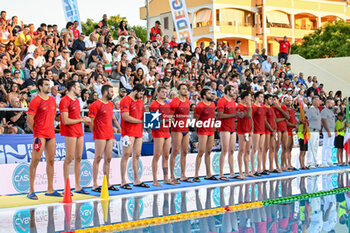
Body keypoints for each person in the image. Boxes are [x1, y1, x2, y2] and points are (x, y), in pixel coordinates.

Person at [26, 78, 60, 200]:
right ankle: (31, 190)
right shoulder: (35, 101)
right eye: (46, 85)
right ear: (39, 87)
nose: (48, 87)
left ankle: (50, 189)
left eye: (49, 84)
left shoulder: (52, 100)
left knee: (51, 161)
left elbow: (53, 116)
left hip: (51, 135)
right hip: (40, 135)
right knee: (35, 161)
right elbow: (29, 119)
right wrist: (37, 132)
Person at [60, 81, 91, 194]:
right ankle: (66, 187)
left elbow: (76, 117)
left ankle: (78, 186)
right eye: (78, 87)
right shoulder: (64, 100)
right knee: (69, 158)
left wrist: (84, 120)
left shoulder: (77, 101)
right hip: (70, 132)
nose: (80, 89)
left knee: (78, 158)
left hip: (79, 131)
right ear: (72, 88)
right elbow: (65, 120)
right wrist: (81, 120)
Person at [88, 85, 119, 192]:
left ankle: (107, 182)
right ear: (105, 92)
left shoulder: (111, 104)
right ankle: (95, 184)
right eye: (111, 91)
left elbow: (110, 119)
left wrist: (115, 130)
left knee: (108, 159)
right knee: (98, 158)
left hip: (109, 134)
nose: (112, 93)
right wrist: (94, 133)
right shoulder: (95, 104)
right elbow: (91, 121)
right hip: (100, 134)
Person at [120, 84, 148, 189]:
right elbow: (125, 117)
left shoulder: (140, 101)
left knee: (136, 155)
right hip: (128, 132)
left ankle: (136, 179)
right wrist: (140, 121)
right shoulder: (125, 100)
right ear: (135, 91)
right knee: (126, 155)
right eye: (140, 93)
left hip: (138, 131)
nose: (141, 96)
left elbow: (144, 115)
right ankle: (123, 180)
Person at [149, 86, 174, 186]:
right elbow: (151, 121)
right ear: (157, 93)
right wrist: (166, 120)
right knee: (157, 155)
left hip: (166, 131)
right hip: (158, 132)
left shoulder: (167, 105)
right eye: (162, 92)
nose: (164, 94)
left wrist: (170, 120)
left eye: (165, 92)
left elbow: (168, 119)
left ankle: (166, 178)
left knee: (166, 156)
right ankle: (155, 179)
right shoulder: (154, 105)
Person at [216, 85, 241, 180]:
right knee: (224, 150)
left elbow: (232, 115)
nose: (234, 92)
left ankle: (232, 172)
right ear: (227, 91)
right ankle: (221, 174)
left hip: (231, 128)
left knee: (231, 150)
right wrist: (234, 114)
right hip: (224, 128)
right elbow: (220, 115)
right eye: (233, 90)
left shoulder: (233, 101)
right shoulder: (221, 101)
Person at [169, 84, 192, 184]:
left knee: (185, 152)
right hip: (177, 129)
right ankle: (172, 176)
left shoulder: (187, 101)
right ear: (178, 91)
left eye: (186, 89)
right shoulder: (175, 101)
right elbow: (169, 114)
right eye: (183, 89)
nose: (185, 90)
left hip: (185, 128)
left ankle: (183, 175)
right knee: (175, 152)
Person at [193, 88, 217, 182]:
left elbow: (213, 117)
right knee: (201, 151)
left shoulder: (212, 104)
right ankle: (196, 174)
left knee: (209, 152)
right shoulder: (200, 105)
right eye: (209, 93)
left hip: (211, 130)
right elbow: (196, 120)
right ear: (204, 95)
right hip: (203, 130)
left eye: (211, 93)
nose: (211, 95)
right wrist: (198, 130)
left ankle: (208, 173)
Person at [236, 91, 252, 179]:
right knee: (241, 151)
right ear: (245, 98)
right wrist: (249, 106)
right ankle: (240, 172)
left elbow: (250, 118)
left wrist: (251, 130)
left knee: (247, 151)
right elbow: (248, 115)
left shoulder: (247, 106)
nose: (250, 99)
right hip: (242, 130)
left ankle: (247, 171)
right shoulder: (239, 106)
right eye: (249, 97)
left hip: (248, 130)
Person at [250, 91, 266, 176]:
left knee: (261, 149)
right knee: (254, 149)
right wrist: (251, 129)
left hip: (262, 130)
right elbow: (250, 118)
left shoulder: (262, 107)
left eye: (263, 97)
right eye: (261, 97)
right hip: (256, 130)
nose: (262, 98)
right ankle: (253, 169)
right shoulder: (253, 107)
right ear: (256, 98)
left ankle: (259, 168)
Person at [273, 96, 290, 172]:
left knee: (285, 147)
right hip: (278, 129)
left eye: (275, 99)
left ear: (278, 100)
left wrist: (279, 108)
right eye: (273, 100)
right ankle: (277, 166)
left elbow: (288, 116)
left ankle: (283, 165)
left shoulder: (283, 107)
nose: (274, 101)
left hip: (284, 128)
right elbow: (275, 120)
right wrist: (283, 118)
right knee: (277, 148)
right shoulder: (272, 108)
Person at [305, 96, 322, 168]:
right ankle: (309, 162)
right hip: (311, 131)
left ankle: (315, 161)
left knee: (315, 147)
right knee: (310, 147)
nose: (319, 102)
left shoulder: (317, 110)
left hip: (317, 131)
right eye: (318, 101)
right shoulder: (310, 110)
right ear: (314, 101)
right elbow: (306, 120)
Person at [263, 94, 276, 174]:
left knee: (272, 148)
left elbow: (274, 119)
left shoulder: (271, 108)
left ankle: (271, 166)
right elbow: (264, 121)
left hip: (272, 130)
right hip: (267, 130)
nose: (272, 101)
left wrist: (275, 129)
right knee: (266, 148)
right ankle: (264, 167)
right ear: (266, 100)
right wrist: (271, 129)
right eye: (270, 99)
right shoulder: (264, 108)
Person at [321, 99, 336, 167]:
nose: (333, 105)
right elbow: (324, 121)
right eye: (331, 103)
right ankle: (324, 161)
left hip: (332, 130)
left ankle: (329, 160)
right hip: (327, 131)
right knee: (326, 146)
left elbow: (333, 122)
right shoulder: (324, 111)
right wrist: (328, 131)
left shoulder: (331, 112)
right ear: (327, 103)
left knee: (330, 146)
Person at [285, 96, 298, 171]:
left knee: (290, 148)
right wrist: (294, 125)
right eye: (287, 100)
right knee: (287, 148)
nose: (289, 102)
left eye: (290, 100)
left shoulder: (292, 110)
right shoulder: (285, 110)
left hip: (292, 131)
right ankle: (286, 164)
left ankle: (289, 163)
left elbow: (294, 120)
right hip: (288, 131)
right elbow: (286, 122)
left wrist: (296, 126)